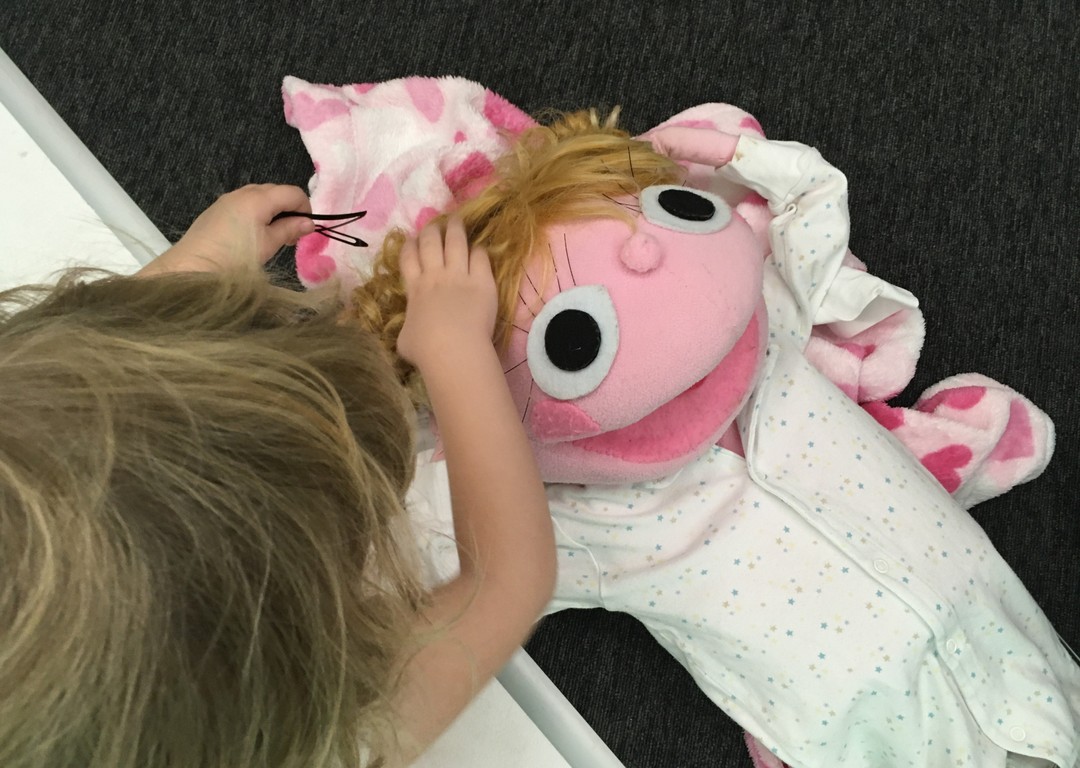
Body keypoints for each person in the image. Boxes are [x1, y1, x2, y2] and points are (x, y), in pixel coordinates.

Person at [0, 183, 554, 768]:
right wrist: (453, 344)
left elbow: (60, 412)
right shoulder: (340, 736)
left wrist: (188, 274)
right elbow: (508, 578)